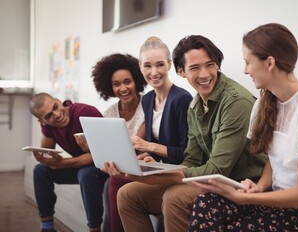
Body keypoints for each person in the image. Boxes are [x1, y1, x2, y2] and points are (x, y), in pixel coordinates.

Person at [188, 23, 298, 232]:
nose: (245, 70)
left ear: (270, 63)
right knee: (206, 203)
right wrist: (260, 186)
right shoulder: (266, 102)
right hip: (277, 199)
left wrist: (246, 199)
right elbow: (275, 161)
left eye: (248, 62)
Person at [113, 35, 267, 232]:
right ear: (181, 72)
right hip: (210, 180)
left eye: (209, 65)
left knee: (175, 197)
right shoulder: (195, 106)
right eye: (194, 68)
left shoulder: (236, 102)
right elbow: (191, 160)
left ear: (218, 65)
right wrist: (154, 170)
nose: (204, 74)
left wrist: (159, 177)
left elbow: (217, 170)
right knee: (128, 195)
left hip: (239, 184)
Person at [102, 37, 193, 231]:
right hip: (162, 169)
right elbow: (154, 148)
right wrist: (147, 156)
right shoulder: (148, 99)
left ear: (169, 64)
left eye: (160, 65)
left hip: (181, 174)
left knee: (119, 184)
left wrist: (148, 147)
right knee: (118, 181)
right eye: (148, 66)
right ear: (140, 67)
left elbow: (187, 153)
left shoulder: (182, 99)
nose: (154, 72)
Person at [29, 93, 108, 232]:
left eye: (55, 107)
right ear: (42, 121)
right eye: (48, 116)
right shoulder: (48, 127)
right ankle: (47, 227)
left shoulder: (86, 112)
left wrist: (61, 163)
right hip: (79, 167)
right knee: (40, 170)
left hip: (102, 166)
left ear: (59, 101)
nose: (57, 114)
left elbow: (99, 155)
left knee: (86, 174)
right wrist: (44, 158)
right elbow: (48, 153)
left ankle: (94, 228)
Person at [91, 53, 147, 232]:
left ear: (136, 80)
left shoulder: (147, 105)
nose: (123, 88)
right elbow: (105, 147)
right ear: (109, 87)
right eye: (116, 84)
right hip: (115, 167)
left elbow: (136, 147)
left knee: (110, 184)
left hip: (141, 164)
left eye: (127, 81)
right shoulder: (109, 113)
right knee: (88, 176)